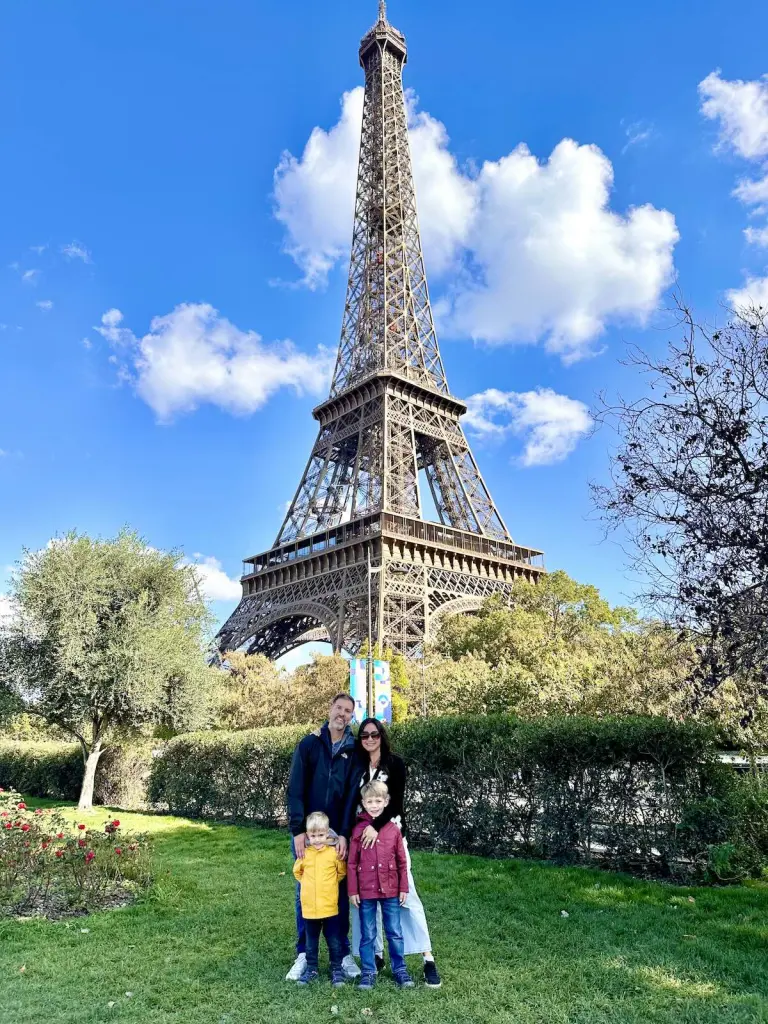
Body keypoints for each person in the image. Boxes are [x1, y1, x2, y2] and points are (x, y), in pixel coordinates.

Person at [351, 717, 442, 988]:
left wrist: (376, 827)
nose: (369, 739)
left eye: (374, 734)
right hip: (363, 838)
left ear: (382, 736)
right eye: (364, 735)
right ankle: (375, 955)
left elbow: (396, 803)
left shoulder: (395, 763)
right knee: (367, 899)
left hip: (390, 836)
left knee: (406, 895)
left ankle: (427, 958)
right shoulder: (357, 766)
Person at [285, 693, 361, 982]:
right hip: (310, 833)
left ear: (351, 717)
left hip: (335, 836)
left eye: (348, 711)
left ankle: (341, 953)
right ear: (330, 708)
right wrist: (298, 831)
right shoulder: (309, 744)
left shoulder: (353, 751)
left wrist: (343, 833)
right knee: (304, 892)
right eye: (339, 708)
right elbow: (295, 789)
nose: (342, 714)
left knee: (338, 894)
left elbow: (352, 796)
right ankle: (305, 953)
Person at [348, 780, 414, 991]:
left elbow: (402, 862)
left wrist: (403, 887)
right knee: (368, 933)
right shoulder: (358, 829)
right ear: (363, 803)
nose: (374, 805)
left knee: (394, 931)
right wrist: (352, 890)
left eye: (378, 800)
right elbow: (351, 863)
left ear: (386, 802)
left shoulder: (393, 830)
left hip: (391, 890)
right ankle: (368, 971)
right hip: (366, 891)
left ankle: (400, 970)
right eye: (370, 801)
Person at [292, 811, 348, 987]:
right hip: (309, 909)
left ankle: (336, 969)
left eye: (321, 835)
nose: (317, 839)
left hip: (329, 907)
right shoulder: (305, 854)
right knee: (311, 941)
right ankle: (312, 969)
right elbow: (297, 872)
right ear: (308, 835)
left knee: (333, 939)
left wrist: (329, 885)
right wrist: (309, 885)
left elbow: (341, 872)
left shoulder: (333, 854)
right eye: (313, 835)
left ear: (327, 834)